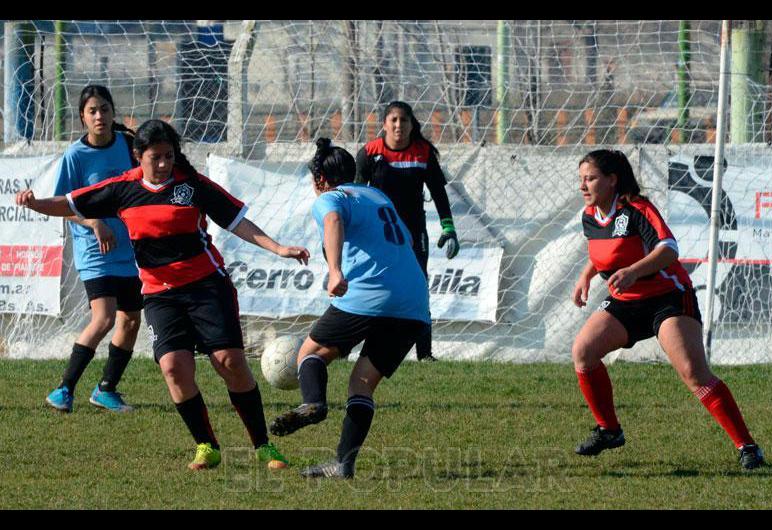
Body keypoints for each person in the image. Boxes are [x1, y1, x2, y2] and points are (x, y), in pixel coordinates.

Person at [17, 119, 310, 471]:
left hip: (206, 286)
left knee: (229, 363)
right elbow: (71, 203)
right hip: (159, 294)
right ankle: (207, 446)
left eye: (169, 156)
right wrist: (35, 205)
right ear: (138, 156)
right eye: (155, 157)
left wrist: (278, 249)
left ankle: (263, 446)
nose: (163, 164)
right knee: (173, 366)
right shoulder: (122, 189)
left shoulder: (193, 186)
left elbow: (236, 221)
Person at [571, 149, 764, 470]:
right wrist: (585, 275)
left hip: (667, 297)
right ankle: (609, 430)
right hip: (627, 301)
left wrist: (633, 271)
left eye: (590, 178)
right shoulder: (590, 215)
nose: (583, 185)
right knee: (583, 351)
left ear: (612, 180)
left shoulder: (637, 209)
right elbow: (605, 251)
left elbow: (668, 248)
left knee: (693, 373)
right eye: (581, 179)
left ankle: (748, 446)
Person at [268, 138, 430, 479]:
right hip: (414, 301)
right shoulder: (377, 195)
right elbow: (409, 241)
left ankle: (312, 403)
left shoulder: (330, 197)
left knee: (309, 354)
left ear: (318, 180)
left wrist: (337, 270)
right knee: (361, 383)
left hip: (369, 294)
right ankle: (343, 464)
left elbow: (332, 221)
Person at [46, 85, 142, 413]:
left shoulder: (129, 146)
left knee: (130, 320)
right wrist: (93, 222)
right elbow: (64, 204)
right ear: (83, 118)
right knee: (103, 317)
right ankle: (63, 389)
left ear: (113, 111)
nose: (99, 115)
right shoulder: (75, 155)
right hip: (94, 249)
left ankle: (106, 389)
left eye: (104, 108)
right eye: (92, 111)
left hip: (128, 248)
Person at [355, 101, 457, 362]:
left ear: (412, 125)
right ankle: (358, 348)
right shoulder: (370, 153)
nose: (399, 125)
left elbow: (439, 192)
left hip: (413, 233)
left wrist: (448, 226)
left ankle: (425, 354)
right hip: (377, 234)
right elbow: (354, 194)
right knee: (373, 285)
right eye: (394, 120)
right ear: (384, 124)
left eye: (404, 120)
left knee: (418, 287)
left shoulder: (422, 153)